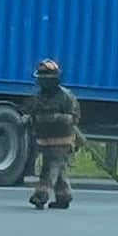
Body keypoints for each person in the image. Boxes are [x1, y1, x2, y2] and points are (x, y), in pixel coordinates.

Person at [21, 59, 83, 209]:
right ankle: (64, 197)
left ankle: (40, 196)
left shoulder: (66, 96)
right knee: (59, 169)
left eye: (47, 76)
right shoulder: (39, 97)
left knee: (49, 168)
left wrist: (53, 118)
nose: (44, 80)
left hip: (62, 140)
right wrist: (27, 119)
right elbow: (31, 113)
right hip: (45, 140)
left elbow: (73, 117)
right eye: (41, 77)